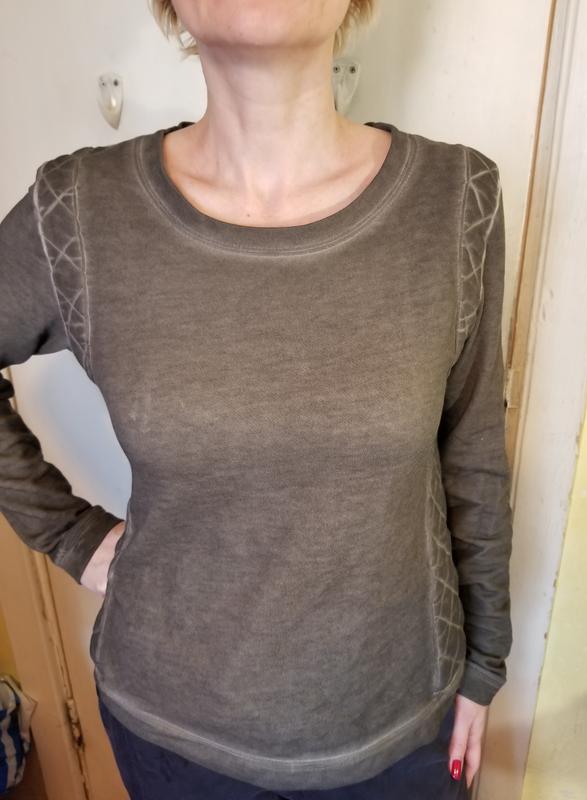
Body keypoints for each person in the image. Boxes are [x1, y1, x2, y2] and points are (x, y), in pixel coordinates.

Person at [0, 0, 514, 797]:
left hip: (401, 732)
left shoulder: (456, 200)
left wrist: (484, 664)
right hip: (174, 740)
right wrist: (70, 536)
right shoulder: (77, 210)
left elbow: (473, 452)